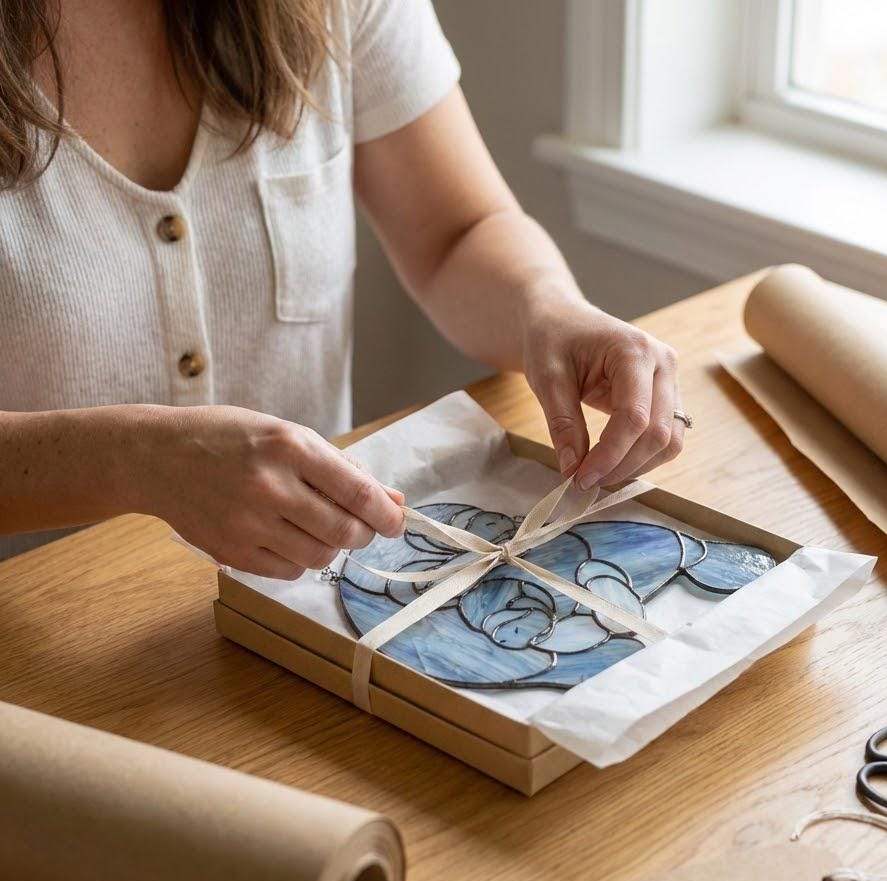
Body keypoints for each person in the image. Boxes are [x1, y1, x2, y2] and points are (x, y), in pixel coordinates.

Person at [0, 0, 685, 578]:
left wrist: (551, 309)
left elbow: (457, 231)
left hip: (310, 610)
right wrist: (136, 460)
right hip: (39, 657)